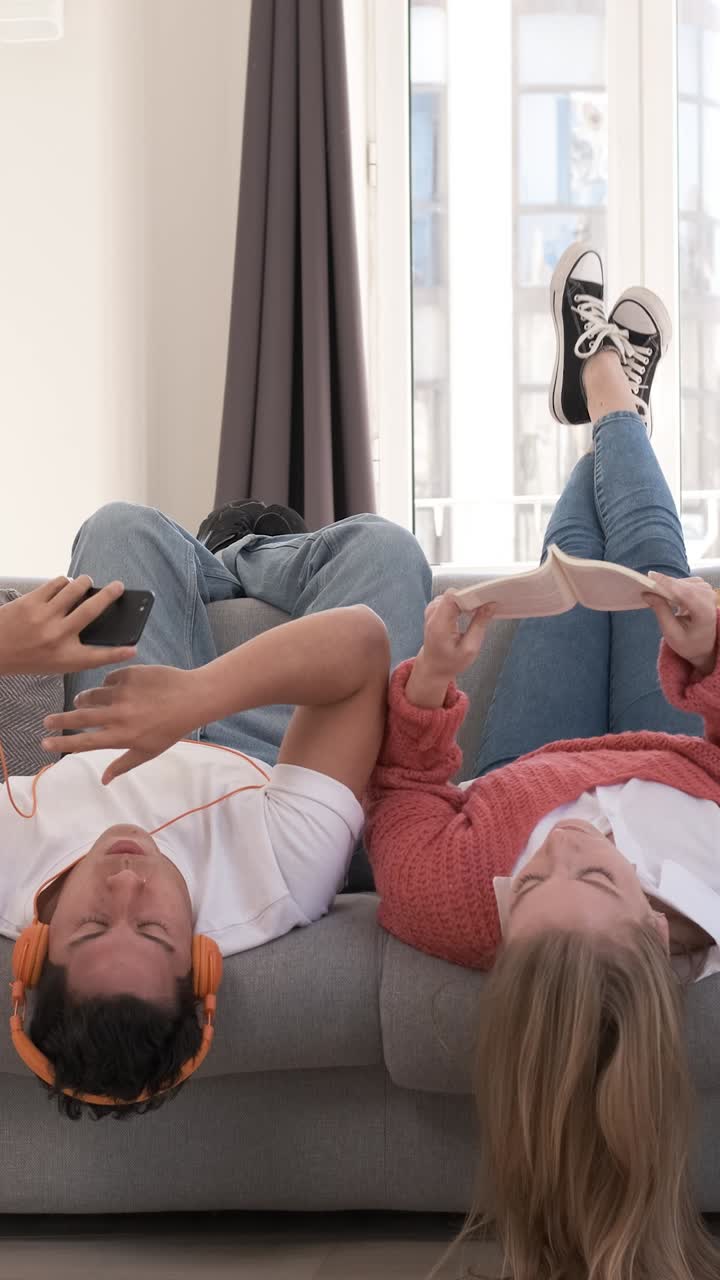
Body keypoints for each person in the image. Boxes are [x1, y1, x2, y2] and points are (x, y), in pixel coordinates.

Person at [365, 244, 720, 1280]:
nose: (566, 844)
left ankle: (604, 389)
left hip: (528, 747)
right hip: (667, 737)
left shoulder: (442, 899)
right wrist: (707, 652)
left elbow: (408, 790)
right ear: (661, 930)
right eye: (603, 874)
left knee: (571, 557)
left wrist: (431, 678)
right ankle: (609, 392)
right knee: (658, 572)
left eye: (530, 888)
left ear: (502, 950)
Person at [0, 504, 430, 1118]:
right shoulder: (276, 884)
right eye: (152, 928)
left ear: (35, 950)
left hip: (121, 720)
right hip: (273, 756)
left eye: (92, 925)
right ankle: (246, 551)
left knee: (120, 529)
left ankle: (217, 559)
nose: (125, 884)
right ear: (200, 959)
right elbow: (362, 643)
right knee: (385, 550)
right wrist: (199, 693)